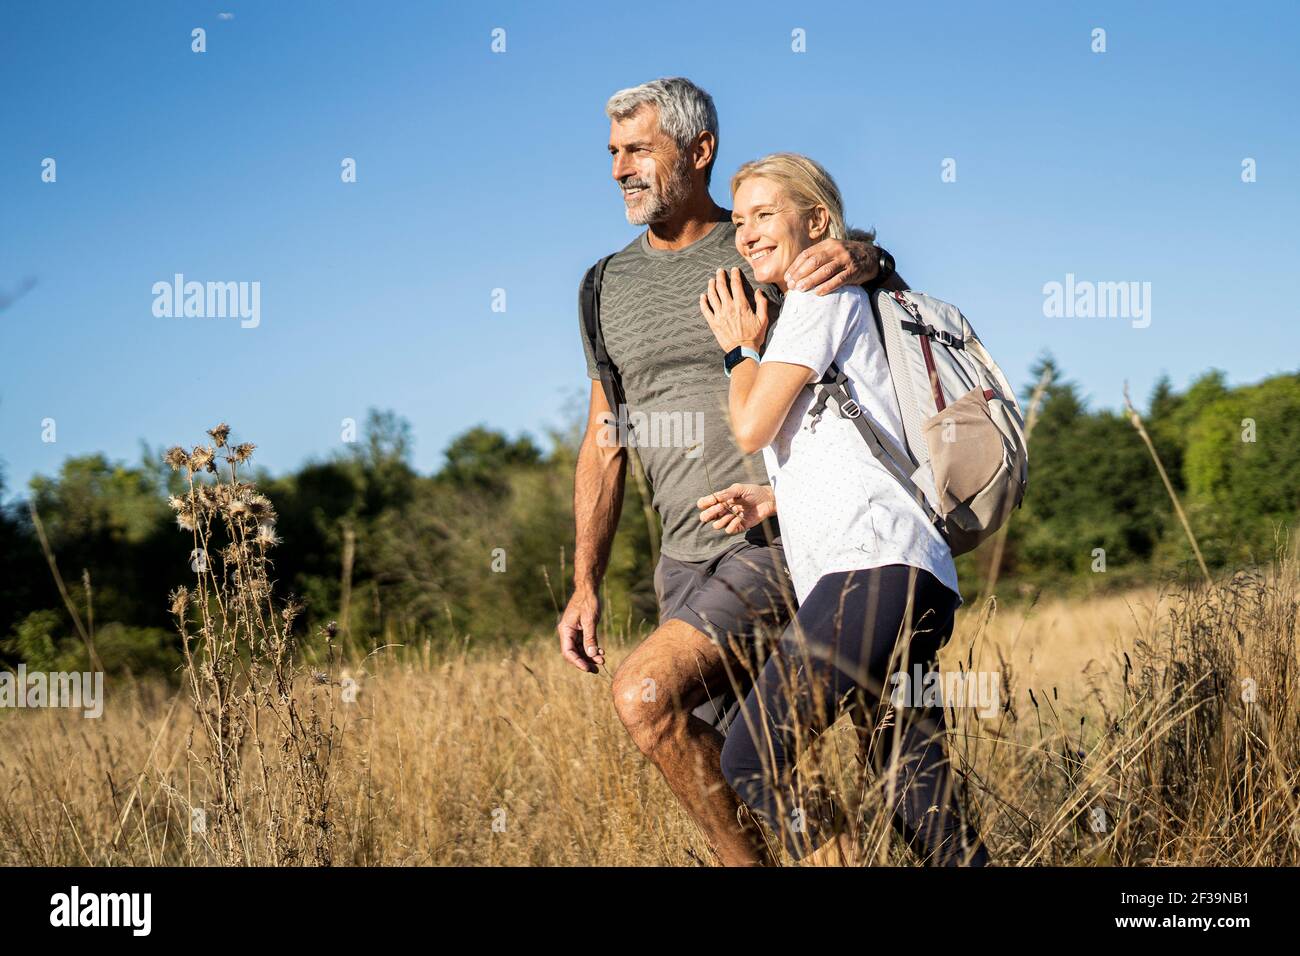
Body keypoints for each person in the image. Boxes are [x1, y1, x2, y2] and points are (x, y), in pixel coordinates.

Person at [560, 77, 897, 866]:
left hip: (775, 539)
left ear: (699, 151)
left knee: (644, 695)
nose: (619, 169)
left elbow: (863, 285)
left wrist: (864, 253)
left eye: (640, 149)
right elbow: (604, 438)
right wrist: (586, 582)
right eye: (613, 153)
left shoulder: (752, 243)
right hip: (681, 561)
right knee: (764, 781)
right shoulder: (602, 286)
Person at [697, 152, 989, 866]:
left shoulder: (818, 294)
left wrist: (739, 350)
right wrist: (774, 497)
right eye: (739, 222)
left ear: (817, 221)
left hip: (873, 571)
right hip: (907, 574)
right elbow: (854, 435)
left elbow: (750, 426)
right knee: (924, 809)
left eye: (766, 214)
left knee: (751, 757)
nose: (747, 234)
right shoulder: (833, 300)